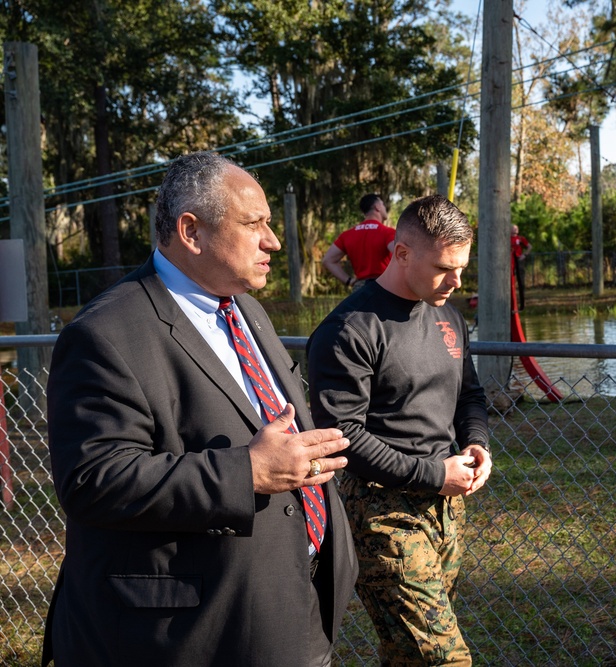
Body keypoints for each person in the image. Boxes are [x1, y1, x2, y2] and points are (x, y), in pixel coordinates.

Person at [43, 151, 358, 667]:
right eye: (254, 224)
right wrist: (247, 471)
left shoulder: (246, 309)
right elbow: (93, 480)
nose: (272, 241)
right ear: (192, 231)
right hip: (191, 634)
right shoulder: (105, 333)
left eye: (270, 225)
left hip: (290, 606)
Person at [307, 194, 491, 666]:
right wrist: (433, 474)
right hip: (381, 513)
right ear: (402, 253)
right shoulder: (349, 329)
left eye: (462, 267)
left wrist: (476, 442)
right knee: (443, 659)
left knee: (408, 655)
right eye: (444, 268)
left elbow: (468, 393)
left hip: (447, 508)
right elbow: (342, 435)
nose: (457, 281)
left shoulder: (448, 314)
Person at [321, 193, 396, 291]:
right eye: (382, 204)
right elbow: (401, 255)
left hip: (360, 288)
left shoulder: (347, 235)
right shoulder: (387, 232)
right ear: (377, 207)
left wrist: (348, 281)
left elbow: (327, 260)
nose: (385, 208)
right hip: (384, 286)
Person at [511, 223, 532, 307]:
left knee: (521, 281)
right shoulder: (507, 238)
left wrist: (524, 255)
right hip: (509, 261)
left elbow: (529, 247)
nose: (515, 230)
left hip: (518, 260)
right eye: (513, 228)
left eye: (516, 228)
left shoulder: (520, 239)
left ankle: (522, 302)